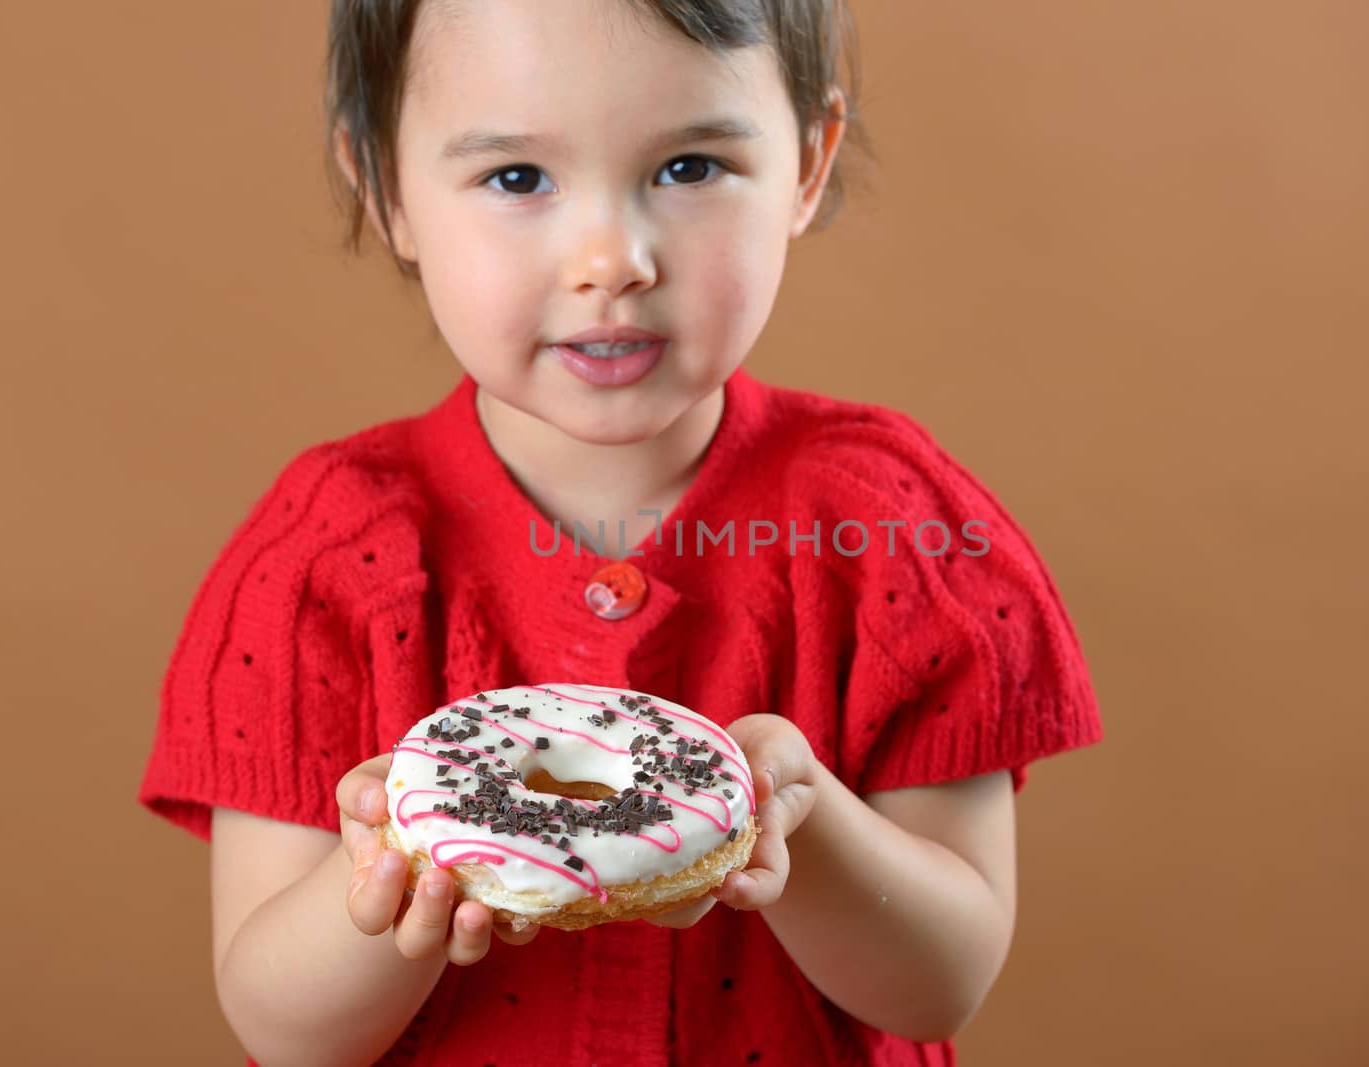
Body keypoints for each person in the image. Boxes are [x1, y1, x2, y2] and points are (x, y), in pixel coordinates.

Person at [137, 1, 1104, 1064]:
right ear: (388, 190)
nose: (611, 260)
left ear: (806, 167)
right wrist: (388, 874)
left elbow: (939, 984)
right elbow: (281, 1028)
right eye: (516, 178)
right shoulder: (324, 557)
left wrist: (800, 818)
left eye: (688, 167)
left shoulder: (894, 530)